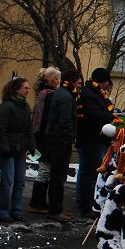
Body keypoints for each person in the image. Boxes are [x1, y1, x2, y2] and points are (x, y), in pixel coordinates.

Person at [0, 76, 35, 223]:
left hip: (20, 147)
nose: (28, 90)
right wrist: (4, 146)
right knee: (8, 181)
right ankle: (2, 210)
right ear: (16, 89)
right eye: (25, 88)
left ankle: (16, 210)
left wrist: (32, 145)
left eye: (28, 88)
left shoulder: (25, 106)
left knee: (20, 181)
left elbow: (29, 129)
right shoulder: (7, 106)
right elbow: (1, 128)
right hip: (8, 148)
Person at [76, 68, 115, 218]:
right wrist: (112, 116)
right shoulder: (90, 94)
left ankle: (86, 203)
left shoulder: (93, 93)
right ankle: (86, 205)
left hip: (94, 139)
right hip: (91, 139)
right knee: (90, 172)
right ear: (103, 81)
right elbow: (95, 115)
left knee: (87, 171)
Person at [43, 69, 81, 222]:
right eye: (78, 82)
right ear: (72, 81)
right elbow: (65, 121)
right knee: (58, 177)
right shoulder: (66, 97)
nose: (79, 85)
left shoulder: (62, 94)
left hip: (57, 139)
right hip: (60, 141)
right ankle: (55, 209)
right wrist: (69, 138)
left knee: (57, 176)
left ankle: (56, 207)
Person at [27, 67, 61, 214]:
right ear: (51, 79)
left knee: (44, 170)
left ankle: (38, 201)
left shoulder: (42, 93)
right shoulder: (50, 95)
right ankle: (37, 202)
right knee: (44, 170)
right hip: (46, 137)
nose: (58, 82)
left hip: (41, 136)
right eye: (57, 78)